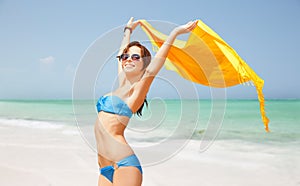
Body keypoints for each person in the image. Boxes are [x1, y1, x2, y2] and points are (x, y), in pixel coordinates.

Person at [94, 17, 197, 186]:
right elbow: (121, 53)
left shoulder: (137, 89)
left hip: (123, 164)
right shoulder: (121, 84)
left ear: (143, 65)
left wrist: (175, 33)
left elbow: (156, 63)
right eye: (127, 56)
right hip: (105, 168)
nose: (128, 59)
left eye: (136, 57)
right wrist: (128, 30)